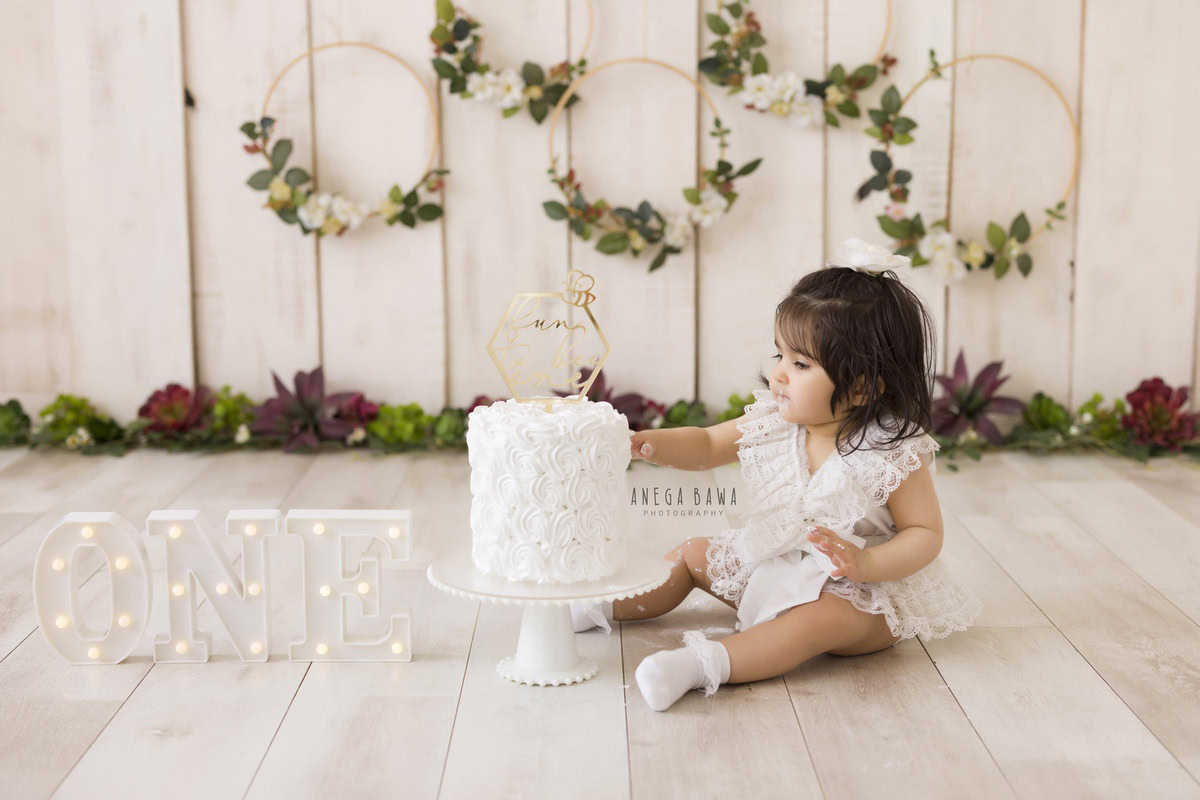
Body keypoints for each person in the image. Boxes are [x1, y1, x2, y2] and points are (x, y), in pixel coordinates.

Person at [570, 240, 983, 711]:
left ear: (864, 386)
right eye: (780, 356)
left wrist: (866, 565)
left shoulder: (889, 451)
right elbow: (706, 445)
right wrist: (649, 445)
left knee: (817, 620)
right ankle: (600, 608)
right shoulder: (773, 420)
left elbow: (925, 533)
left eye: (801, 364)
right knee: (691, 555)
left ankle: (701, 666)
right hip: (775, 561)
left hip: (858, 594)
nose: (780, 375)